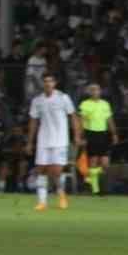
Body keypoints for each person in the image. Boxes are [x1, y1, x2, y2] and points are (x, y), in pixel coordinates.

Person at [28, 73, 80, 211]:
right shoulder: (37, 100)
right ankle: (42, 202)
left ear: (55, 83)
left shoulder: (63, 98)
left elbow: (73, 116)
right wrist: (30, 142)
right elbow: (33, 121)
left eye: (50, 81)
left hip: (60, 140)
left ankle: (61, 195)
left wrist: (77, 135)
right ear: (42, 83)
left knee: (56, 171)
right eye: (45, 81)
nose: (48, 83)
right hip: (43, 140)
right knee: (41, 170)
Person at [77, 83, 118, 197]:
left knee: (105, 163)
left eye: (97, 89)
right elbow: (81, 120)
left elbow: (109, 119)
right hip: (91, 133)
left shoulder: (105, 104)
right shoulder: (85, 104)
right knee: (93, 161)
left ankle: (93, 181)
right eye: (92, 90)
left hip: (103, 134)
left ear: (100, 91)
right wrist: (80, 136)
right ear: (89, 92)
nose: (95, 92)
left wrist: (114, 134)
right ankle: (96, 190)